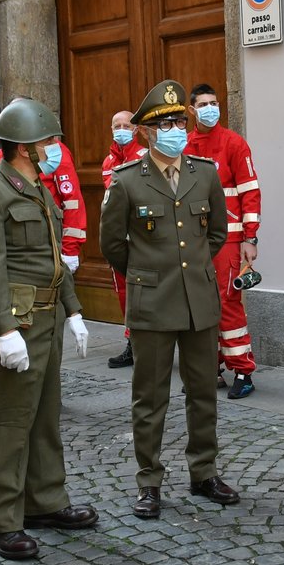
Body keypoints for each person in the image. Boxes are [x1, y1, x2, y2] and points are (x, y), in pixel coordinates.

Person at [0, 97, 97, 560]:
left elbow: (53, 261)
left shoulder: (37, 188)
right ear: (24, 147)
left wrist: (75, 310)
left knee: (44, 416)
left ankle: (45, 500)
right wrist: (3, 329)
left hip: (47, 318)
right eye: (49, 140)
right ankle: (1, 520)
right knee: (9, 421)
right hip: (17, 322)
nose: (56, 147)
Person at [100, 79, 240, 519]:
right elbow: (111, 245)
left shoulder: (205, 172)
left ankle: (203, 472)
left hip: (198, 300)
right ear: (146, 132)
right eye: (164, 123)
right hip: (152, 302)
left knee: (203, 393)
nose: (175, 128)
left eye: (179, 120)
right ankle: (149, 481)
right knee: (150, 398)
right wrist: (147, 274)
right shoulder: (126, 181)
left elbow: (217, 232)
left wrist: (193, 270)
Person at [185, 84, 261, 399]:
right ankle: (211, 367)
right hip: (194, 242)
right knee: (198, 306)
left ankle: (243, 371)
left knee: (228, 305)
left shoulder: (234, 143)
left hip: (230, 241)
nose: (210, 108)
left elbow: (250, 192)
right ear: (191, 110)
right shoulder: (185, 146)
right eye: (203, 104)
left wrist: (251, 237)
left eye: (214, 102)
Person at [0, 130, 87, 277]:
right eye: (49, 140)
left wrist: (70, 249)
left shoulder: (56, 152)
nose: (53, 143)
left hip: (49, 240)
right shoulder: (1, 157)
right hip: (15, 246)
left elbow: (72, 200)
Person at [101, 109, 145, 369]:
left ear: (136, 129)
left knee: (141, 293)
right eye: (116, 125)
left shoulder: (143, 158)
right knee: (123, 294)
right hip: (118, 238)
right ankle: (132, 343)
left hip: (138, 240)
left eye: (126, 125)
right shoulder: (108, 161)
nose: (121, 129)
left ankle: (146, 344)